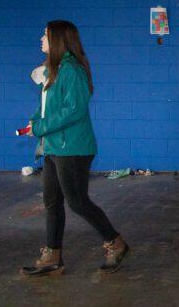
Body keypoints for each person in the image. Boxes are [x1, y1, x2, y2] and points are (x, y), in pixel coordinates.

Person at [20, 20, 129, 276]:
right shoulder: (53, 70)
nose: (41, 39)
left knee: (77, 202)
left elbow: (74, 111)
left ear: (58, 39)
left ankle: (116, 243)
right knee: (52, 202)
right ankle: (52, 256)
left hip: (73, 148)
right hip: (53, 146)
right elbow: (46, 105)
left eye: (45, 35)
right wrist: (35, 122)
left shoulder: (72, 70)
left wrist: (42, 126)